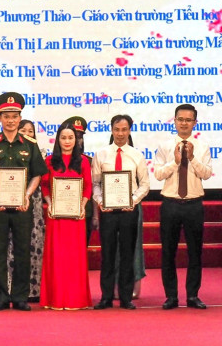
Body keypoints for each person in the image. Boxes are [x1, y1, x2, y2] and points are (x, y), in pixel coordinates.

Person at [0, 92, 46, 311]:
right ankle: (1, 297)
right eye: (6, 116)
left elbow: (37, 174)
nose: (10, 120)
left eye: (14, 116)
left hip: (22, 205)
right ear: (0, 118)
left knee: (22, 250)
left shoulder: (30, 144)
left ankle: (19, 296)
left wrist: (26, 195)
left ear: (20, 118)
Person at [155, 103, 213, 310]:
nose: (184, 123)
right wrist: (175, 162)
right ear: (174, 121)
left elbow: (206, 174)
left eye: (188, 120)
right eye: (180, 119)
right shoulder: (165, 146)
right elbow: (158, 174)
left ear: (195, 123)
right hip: (170, 204)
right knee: (168, 252)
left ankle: (192, 296)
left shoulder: (202, 146)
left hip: (193, 205)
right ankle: (171, 296)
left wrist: (193, 158)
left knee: (195, 252)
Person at [92, 115, 150, 310]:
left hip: (129, 211)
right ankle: (106, 297)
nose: (120, 133)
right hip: (107, 211)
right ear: (111, 130)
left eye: (124, 129)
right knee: (107, 254)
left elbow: (145, 185)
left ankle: (126, 297)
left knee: (127, 253)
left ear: (129, 131)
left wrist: (132, 201)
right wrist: (101, 201)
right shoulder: (101, 154)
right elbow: (95, 183)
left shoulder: (137, 155)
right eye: (117, 129)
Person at [38, 118, 92, 310]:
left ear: (76, 140)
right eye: (63, 138)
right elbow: (45, 185)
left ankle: (75, 299)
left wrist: (82, 206)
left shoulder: (83, 161)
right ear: (58, 140)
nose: (67, 141)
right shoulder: (49, 161)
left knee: (74, 258)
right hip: (56, 216)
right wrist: (50, 204)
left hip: (76, 217)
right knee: (57, 257)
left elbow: (88, 187)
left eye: (71, 138)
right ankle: (55, 298)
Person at [6, 119, 45, 302]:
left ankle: (34, 290)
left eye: (31, 131)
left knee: (34, 243)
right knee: (12, 243)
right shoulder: (8, 150)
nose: (28, 133)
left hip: (33, 201)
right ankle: (12, 287)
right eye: (24, 130)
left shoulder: (39, 151)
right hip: (9, 200)